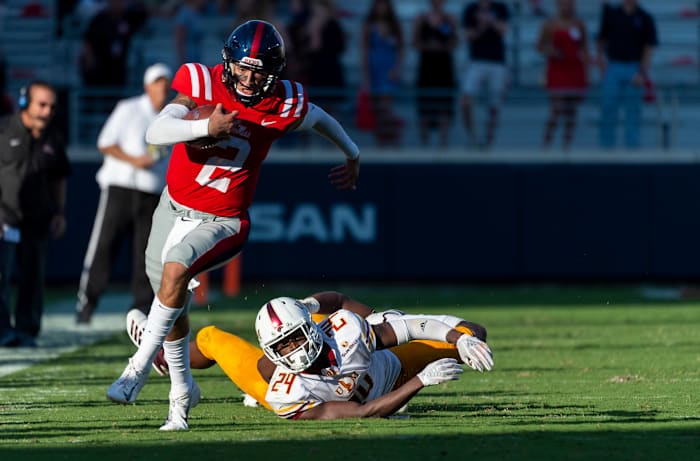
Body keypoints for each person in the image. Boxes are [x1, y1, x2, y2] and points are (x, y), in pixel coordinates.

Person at [106, 19, 360, 431]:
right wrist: (205, 126)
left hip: (223, 219)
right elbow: (158, 129)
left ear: (274, 73)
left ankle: (136, 368)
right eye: (242, 68)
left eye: (258, 72)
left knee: (175, 272)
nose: (247, 78)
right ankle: (182, 390)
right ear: (229, 62)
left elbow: (318, 118)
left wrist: (352, 152)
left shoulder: (282, 103)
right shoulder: (202, 83)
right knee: (171, 302)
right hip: (172, 206)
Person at [127, 291, 494, 419]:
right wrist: (421, 381)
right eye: (283, 345)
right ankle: (160, 352)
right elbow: (363, 413)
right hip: (290, 390)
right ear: (273, 351)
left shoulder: (347, 330)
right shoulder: (283, 390)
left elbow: (414, 326)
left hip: (388, 372)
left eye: (297, 337)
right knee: (209, 337)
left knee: (473, 334)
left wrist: (456, 339)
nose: (295, 349)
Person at [75, 63, 173, 325]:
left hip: (152, 190)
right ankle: (87, 304)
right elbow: (105, 143)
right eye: (157, 82)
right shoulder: (128, 108)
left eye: (165, 82)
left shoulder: (171, 115)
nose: (162, 87)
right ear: (147, 86)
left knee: (146, 254)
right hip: (120, 186)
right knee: (104, 246)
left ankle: (141, 311)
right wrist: (134, 160)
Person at [0, 81, 70, 348]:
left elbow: (59, 177)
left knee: (33, 278)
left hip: (38, 218)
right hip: (4, 217)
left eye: (51, 106)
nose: (46, 111)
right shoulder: (4, 131)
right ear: (24, 103)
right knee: (2, 277)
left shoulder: (53, 136)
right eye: (41, 104)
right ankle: (3, 331)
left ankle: (27, 330)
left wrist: (59, 211)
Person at [596, 0, 658, 149]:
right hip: (614, 66)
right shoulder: (612, 14)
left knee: (633, 111)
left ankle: (633, 149)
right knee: (608, 108)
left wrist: (641, 72)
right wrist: (602, 65)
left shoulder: (645, 17)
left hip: (634, 68)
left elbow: (648, 48)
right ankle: (606, 148)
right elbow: (601, 40)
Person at [536, 0, 589, 150]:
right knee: (556, 108)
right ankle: (546, 144)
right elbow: (539, 46)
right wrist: (550, 51)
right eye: (563, 3)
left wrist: (587, 73)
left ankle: (566, 145)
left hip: (574, 69)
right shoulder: (549, 24)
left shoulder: (579, 24)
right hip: (557, 69)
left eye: (570, 3)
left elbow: (584, 48)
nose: (567, 6)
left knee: (572, 110)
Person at [460, 0, 510, 149]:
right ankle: (473, 138)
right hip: (476, 61)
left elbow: (503, 30)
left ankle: (488, 141)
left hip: (497, 62)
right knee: (465, 100)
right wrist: (482, 25)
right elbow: (469, 36)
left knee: (495, 105)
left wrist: (490, 20)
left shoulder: (501, 7)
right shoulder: (470, 9)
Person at [412, 0, 458, 147]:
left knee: (444, 105)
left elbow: (455, 42)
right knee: (424, 106)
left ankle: (443, 144)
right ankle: (424, 144)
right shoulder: (421, 19)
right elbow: (414, 42)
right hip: (426, 67)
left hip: (444, 67)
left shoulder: (450, 19)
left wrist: (442, 47)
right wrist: (428, 46)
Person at [360, 0, 404, 146]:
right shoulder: (369, 26)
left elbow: (400, 49)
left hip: (388, 69)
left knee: (386, 107)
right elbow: (365, 50)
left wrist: (397, 68)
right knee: (376, 108)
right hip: (374, 69)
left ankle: (392, 139)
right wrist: (366, 74)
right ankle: (380, 140)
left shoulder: (394, 27)